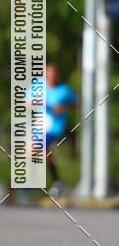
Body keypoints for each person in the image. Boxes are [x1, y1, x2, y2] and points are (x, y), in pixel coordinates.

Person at [42, 64, 77, 197]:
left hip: (55, 128)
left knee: (38, 148)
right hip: (38, 126)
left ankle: (56, 183)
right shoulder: (38, 88)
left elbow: (76, 103)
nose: (50, 76)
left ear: (57, 75)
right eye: (48, 73)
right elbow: (24, 101)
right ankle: (57, 182)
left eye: (53, 73)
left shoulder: (64, 90)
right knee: (39, 152)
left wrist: (63, 107)